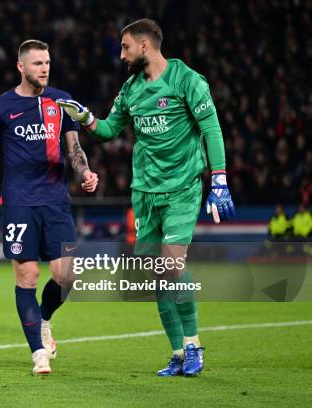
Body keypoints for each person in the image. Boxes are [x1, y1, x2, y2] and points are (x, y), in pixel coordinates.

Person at [57, 18, 235, 377]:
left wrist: (219, 178)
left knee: (171, 266)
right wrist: (87, 118)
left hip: (182, 189)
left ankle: (193, 344)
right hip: (145, 192)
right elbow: (108, 130)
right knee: (156, 276)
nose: (121, 55)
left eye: (124, 47)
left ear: (144, 46)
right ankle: (176, 353)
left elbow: (211, 128)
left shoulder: (187, 80)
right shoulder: (131, 90)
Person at [0, 39, 98, 375]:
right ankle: (37, 353)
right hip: (18, 203)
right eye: (37, 64)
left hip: (56, 202)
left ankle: (44, 319)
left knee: (66, 275)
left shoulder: (62, 101)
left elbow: (74, 149)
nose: (44, 68)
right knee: (27, 276)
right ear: (21, 67)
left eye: (47, 63)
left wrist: (84, 172)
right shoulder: (1, 107)